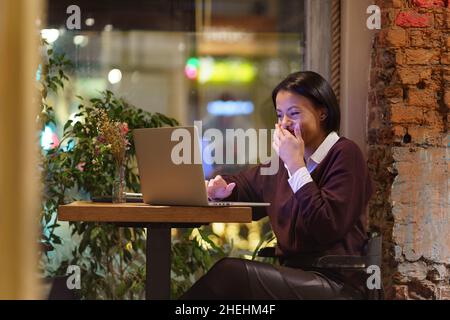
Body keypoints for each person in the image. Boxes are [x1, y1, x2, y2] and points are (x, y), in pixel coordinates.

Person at [181, 71, 373, 300]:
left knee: (230, 274)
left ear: (323, 113)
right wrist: (220, 187)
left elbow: (326, 224)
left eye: (294, 113)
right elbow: (246, 184)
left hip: (336, 283)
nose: (284, 123)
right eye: (280, 115)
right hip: (296, 276)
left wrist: (295, 165)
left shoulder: (344, 154)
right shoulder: (281, 164)